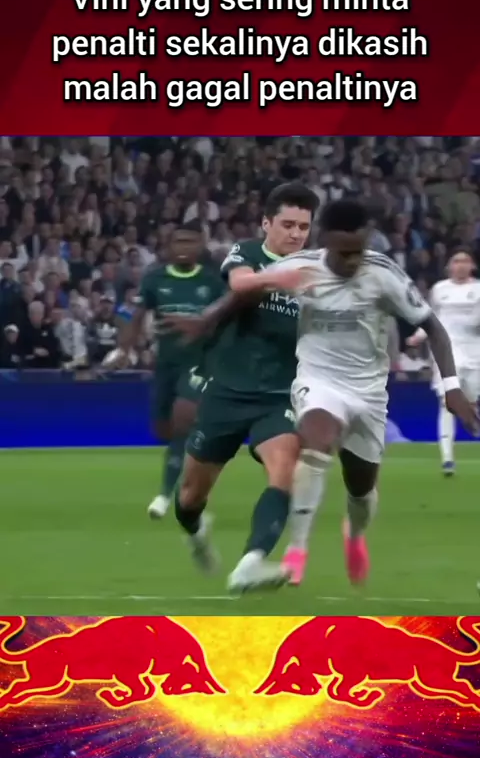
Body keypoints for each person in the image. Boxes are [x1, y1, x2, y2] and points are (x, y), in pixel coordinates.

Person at [233, 200, 479, 586]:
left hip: (368, 392)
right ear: (325, 241)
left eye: (358, 251)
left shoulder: (383, 274)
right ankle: (297, 550)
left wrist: (452, 388)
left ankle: (355, 533)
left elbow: (432, 326)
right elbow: (242, 296)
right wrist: (207, 325)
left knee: (361, 488)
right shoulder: (297, 269)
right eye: (344, 252)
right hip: (318, 379)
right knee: (315, 444)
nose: (352, 260)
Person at [170, 183, 319, 592]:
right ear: (267, 224)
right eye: (287, 224)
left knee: (284, 467)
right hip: (227, 390)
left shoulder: (318, 270)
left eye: (303, 227)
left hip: (281, 393)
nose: (295, 234)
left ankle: (252, 562)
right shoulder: (249, 252)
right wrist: (286, 278)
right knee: (189, 497)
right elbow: (240, 285)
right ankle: (196, 532)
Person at [109, 222, 225, 518]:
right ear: (169, 246)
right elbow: (136, 316)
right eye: (179, 242)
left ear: (200, 246)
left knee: (182, 421)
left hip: (199, 365)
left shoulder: (212, 282)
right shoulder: (155, 279)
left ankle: (164, 495)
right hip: (165, 366)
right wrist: (124, 349)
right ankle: (196, 471)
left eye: (190, 242)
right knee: (164, 430)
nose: (184, 248)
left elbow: (225, 320)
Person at [407, 247, 480, 476]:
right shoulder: (439, 290)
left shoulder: (478, 289)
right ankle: (447, 459)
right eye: (456, 261)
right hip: (446, 352)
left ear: (472, 266)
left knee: (470, 402)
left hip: (474, 353)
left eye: (465, 261)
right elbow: (431, 319)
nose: (460, 265)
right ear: (449, 266)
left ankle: (471, 418)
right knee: (446, 402)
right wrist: (418, 336)